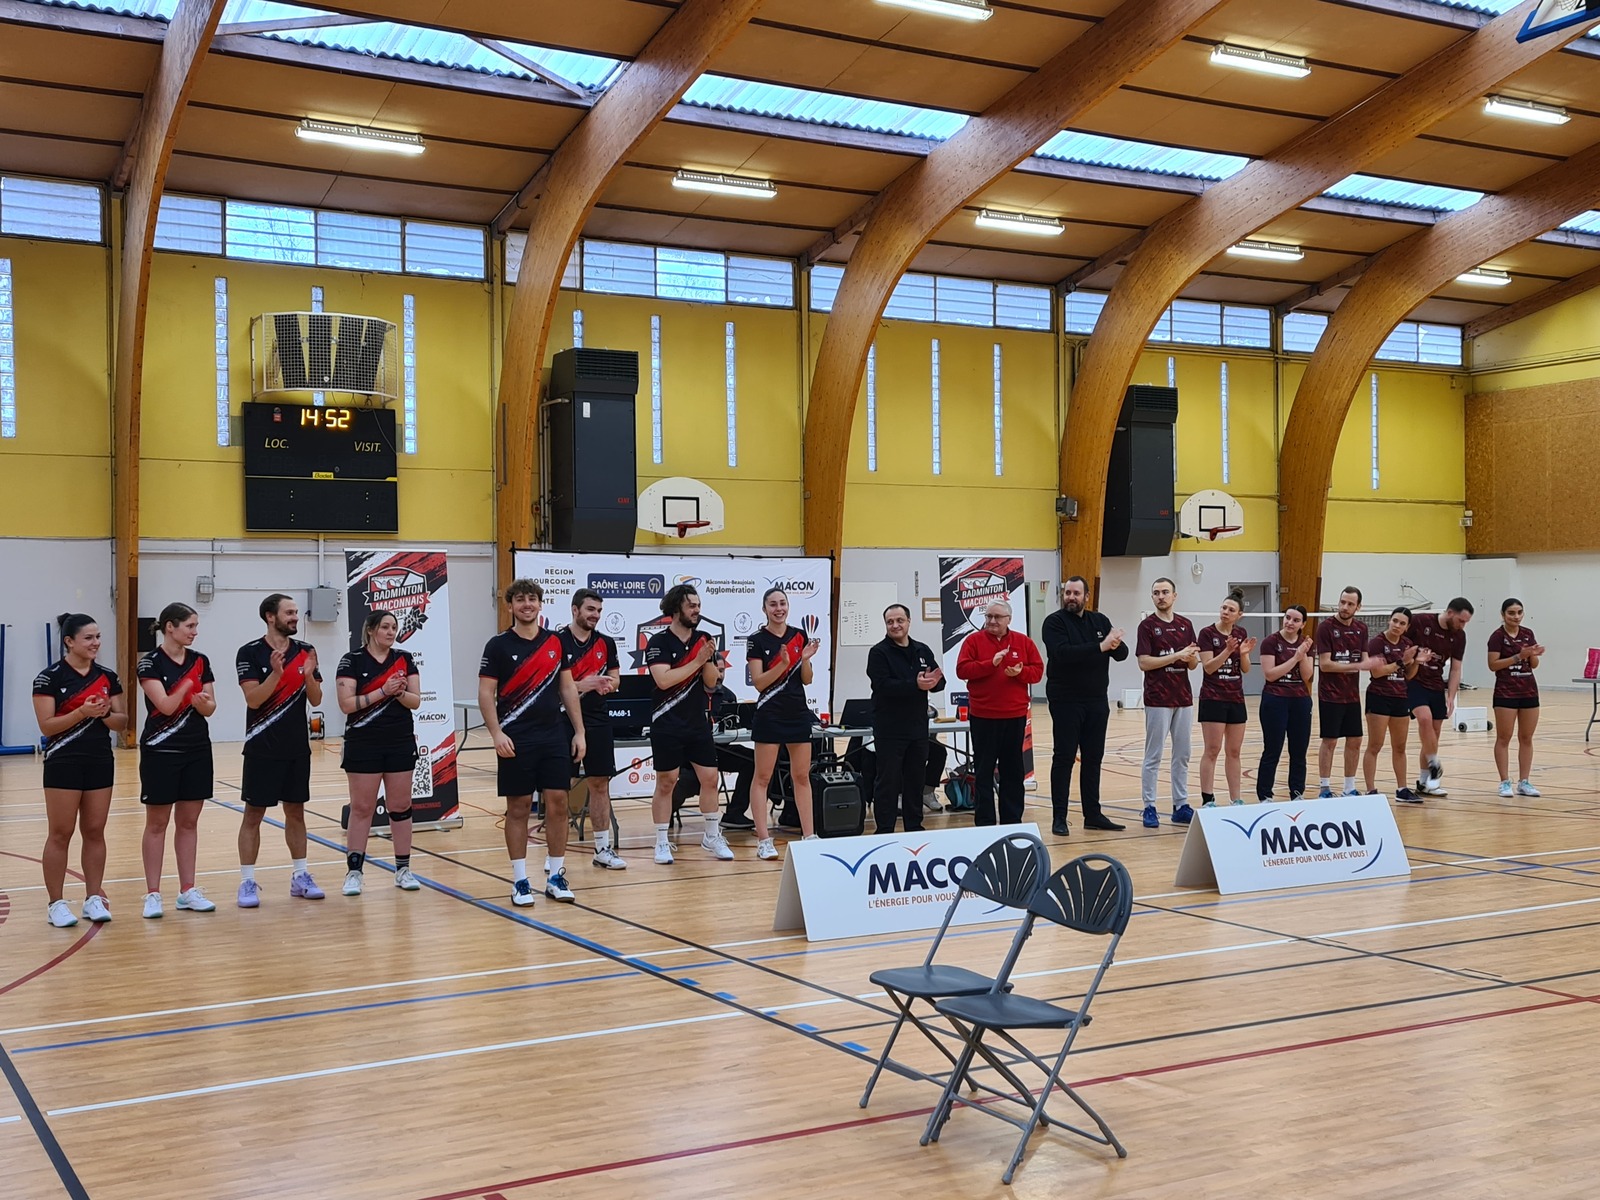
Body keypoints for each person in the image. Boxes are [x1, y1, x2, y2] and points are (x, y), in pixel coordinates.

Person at [477, 579, 587, 906]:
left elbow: (567, 688)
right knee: (519, 807)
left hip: (553, 735)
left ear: (540, 604)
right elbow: (485, 693)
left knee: (558, 803)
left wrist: (579, 731)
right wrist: (496, 734)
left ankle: (555, 876)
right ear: (511, 606)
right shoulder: (497, 645)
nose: (527, 604)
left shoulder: (555, 642)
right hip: (515, 737)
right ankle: (520, 880)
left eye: (532, 599)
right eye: (520, 600)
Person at [33, 613, 127, 927]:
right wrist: (82, 712)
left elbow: (122, 722)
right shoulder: (49, 678)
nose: (95, 643)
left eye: (98, 637)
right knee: (61, 833)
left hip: (99, 760)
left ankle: (93, 898)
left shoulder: (108, 677)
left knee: (95, 830)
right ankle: (56, 903)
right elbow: (47, 726)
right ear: (69, 641)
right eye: (88, 638)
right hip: (63, 761)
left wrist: (104, 714)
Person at [236, 593, 324, 908]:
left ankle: (300, 876)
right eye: (289, 612)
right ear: (270, 616)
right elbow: (253, 700)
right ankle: (247, 882)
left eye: (296, 612)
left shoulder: (306, 651)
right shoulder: (249, 652)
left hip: (296, 747)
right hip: (262, 747)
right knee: (253, 815)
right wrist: (276, 673)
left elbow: (316, 699)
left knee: (296, 812)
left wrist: (309, 674)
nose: (294, 617)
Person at [136, 602, 219, 918]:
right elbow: (166, 706)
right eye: (190, 626)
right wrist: (186, 686)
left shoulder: (201, 661)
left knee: (188, 822)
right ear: (169, 627)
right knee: (157, 823)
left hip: (196, 749)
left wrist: (201, 702)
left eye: (196, 626)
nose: (195, 632)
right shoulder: (150, 663)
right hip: (161, 750)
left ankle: (187, 891)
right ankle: (153, 894)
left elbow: (211, 707)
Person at [335, 609, 424, 897]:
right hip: (364, 742)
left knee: (401, 806)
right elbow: (347, 704)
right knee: (362, 808)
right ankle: (354, 872)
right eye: (385, 627)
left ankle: (403, 869)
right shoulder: (352, 660)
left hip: (399, 741)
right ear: (371, 630)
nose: (390, 632)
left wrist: (399, 693)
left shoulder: (404, 659)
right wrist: (383, 691)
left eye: (394, 627)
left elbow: (415, 701)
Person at [644, 583, 734, 864]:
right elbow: (664, 680)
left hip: (697, 722)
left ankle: (711, 836)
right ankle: (661, 841)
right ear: (676, 609)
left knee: (710, 778)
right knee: (667, 782)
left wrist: (709, 662)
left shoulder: (704, 638)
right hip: (667, 721)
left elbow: (711, 683)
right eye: (691, 605)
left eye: (698, 605)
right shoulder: (658, 642)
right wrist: (697, 660)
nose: (697, 610)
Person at [1040, 576, 1128, 835]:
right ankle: (1059, 817)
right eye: (1068, 592)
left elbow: (1121, 654)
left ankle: (1093, 814)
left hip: (1096, 700)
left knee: (1093, 758)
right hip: (1066, 700)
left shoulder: (1099, 621)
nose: (1071, 597)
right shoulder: (1054, 622)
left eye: (1076, 593)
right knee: (1064, 757)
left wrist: (1115, 644)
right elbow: (1062, 654)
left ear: (1086, 597)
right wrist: (1101, 646)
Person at [746, 588, 821, 857]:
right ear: (764, 609)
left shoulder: (799, 635)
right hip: (769, 714)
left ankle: (809, 835)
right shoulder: (756, 640)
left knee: (801, 776)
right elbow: (759, 683)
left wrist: (804, 660)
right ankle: (764, 840)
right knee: (762, 777)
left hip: (797, 714)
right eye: (773, 604)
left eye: (782, 603)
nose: (779, 609)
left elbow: (807, 679)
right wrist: (782, 664)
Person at [955, 600, 1043, 826]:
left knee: (1012, 771)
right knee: (983, 772)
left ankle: (1011, 820)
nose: (992, 621)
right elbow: (962, 670)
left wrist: (1020, 673)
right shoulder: (973, 641)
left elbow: (1037, 672)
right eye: (988, 616)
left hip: (1014, 717)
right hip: (983, 717)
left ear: (1008, 619)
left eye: (997, 617)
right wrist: (990, 664)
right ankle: (985, 822)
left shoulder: (1023, 642)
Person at [559, 588, 627, 869]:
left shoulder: (606, 643)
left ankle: (602, 849)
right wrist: (582, 684)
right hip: (562, 719)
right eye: (590, 609)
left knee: (600, 784)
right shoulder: (557, 641)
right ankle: (555, 855)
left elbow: (616, 678)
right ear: (575, 610)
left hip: (598, 719)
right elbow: (551, 685)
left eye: (598, 611)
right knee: (560, 787)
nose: (595, 615)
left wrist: (607, 684)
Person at [866, 603, 945, 835]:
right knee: (888, 782)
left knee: (915, 780)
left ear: (909, 622)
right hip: (889, 729)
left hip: (917, 728)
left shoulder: (922, 650)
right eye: (890, 622)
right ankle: (885, 830)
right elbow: (882, 685)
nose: (895, 625)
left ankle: (914, 827)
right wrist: (915, 684)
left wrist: (934, 683)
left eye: (899, 620)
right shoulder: (879, 653)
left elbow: (939, 681)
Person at [1136, 578, 1200, 829]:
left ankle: (1180, 805)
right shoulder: (1147, 626)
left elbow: (1193, 664)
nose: (1161, 596)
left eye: (1165, 592)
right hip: (1158, 699)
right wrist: (1176, 656)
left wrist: (1190, 657)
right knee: (1153, 755)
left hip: (1183, 698)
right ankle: (1149, 806)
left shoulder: (1186, 625)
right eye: (1156, 593)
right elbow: (1144, 662)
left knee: (1182, 754)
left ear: (1175, 595)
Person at [1408, 598, 1474, 796]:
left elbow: (1455, 668)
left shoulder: (1459, 636)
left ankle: (1424, 782)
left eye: (1466, 622)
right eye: (1461, 621)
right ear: (1450, 613)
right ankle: (1434, 762)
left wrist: (1451, 696)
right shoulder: (1420, 622)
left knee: (1433, 735)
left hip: (1436, 684)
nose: (1463, 625)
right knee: (1424, 719)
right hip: (1414, 681)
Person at [1196, 589, 1256, 807]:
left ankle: (1236, 799)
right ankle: (1208, 798)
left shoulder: (1241, 633)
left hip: (1235, 698)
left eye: (1231, 610)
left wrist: (1244, 653)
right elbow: (1209, 667)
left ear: (1239, 615)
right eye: (1224, 608)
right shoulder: (1206, 633)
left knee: (1234, 751)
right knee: (1212, 750)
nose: (1226, 612)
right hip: (1213, 698)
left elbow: (1246, 669)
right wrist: (1228, 651)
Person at [1363, 606, 1425, 802]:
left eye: (1402, 623)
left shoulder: (1407, 644)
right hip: (1379, 697)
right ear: (1389, 620)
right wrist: (1401, 661)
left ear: (1407, 627)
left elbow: (1408, 675)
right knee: (1375, 745)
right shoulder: (1376, 643)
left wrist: (1417, 662)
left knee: (1400, 746)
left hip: (1400, 697)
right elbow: (1377, 672)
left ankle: (1402, 789)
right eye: (1395, 621)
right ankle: (1371, 790)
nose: (1397, 625)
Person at [1487, 598, 1544, 800]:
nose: (1516, 616)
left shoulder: (1527, 633)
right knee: (1504, 737)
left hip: (1529, 691)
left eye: (1519, 612)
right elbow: (1493, 665)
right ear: (1503, 615)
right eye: (1511, 613)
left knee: (1526, 738)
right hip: (1506, 692)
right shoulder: (1497, 637)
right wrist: (1518, 656)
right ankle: (1504, 782)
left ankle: (1524, 781)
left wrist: (1533, 654)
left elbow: (1534, 664)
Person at [1316, 586, 1369, 799]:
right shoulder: (1326, 628)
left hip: (1352, 696)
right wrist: (1355, 666)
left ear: (1358, 607)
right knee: (1330, 741)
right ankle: (1324, 788)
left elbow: (1365, 660)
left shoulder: (1361, 629)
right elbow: (1325, 664)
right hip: (1330, 695)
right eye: (1342, 602)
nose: (1345, 607)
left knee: (1355, 740)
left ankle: (1349, 787)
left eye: (1350, 604)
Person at [1257, 605, 1314, 802]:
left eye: (1296, 620)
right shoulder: (1270, 642)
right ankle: (1265, 795)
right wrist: (1295, 657)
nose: (1290, 622)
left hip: (1300, 700)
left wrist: (1303, 654)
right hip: (1275, 699)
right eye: (1288, 617)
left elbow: (1307, 676)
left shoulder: (1306, 644)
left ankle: (1297, 793)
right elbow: (1270, 674)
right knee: (1272, 749)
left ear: (1303, 624)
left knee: (1299, 751)